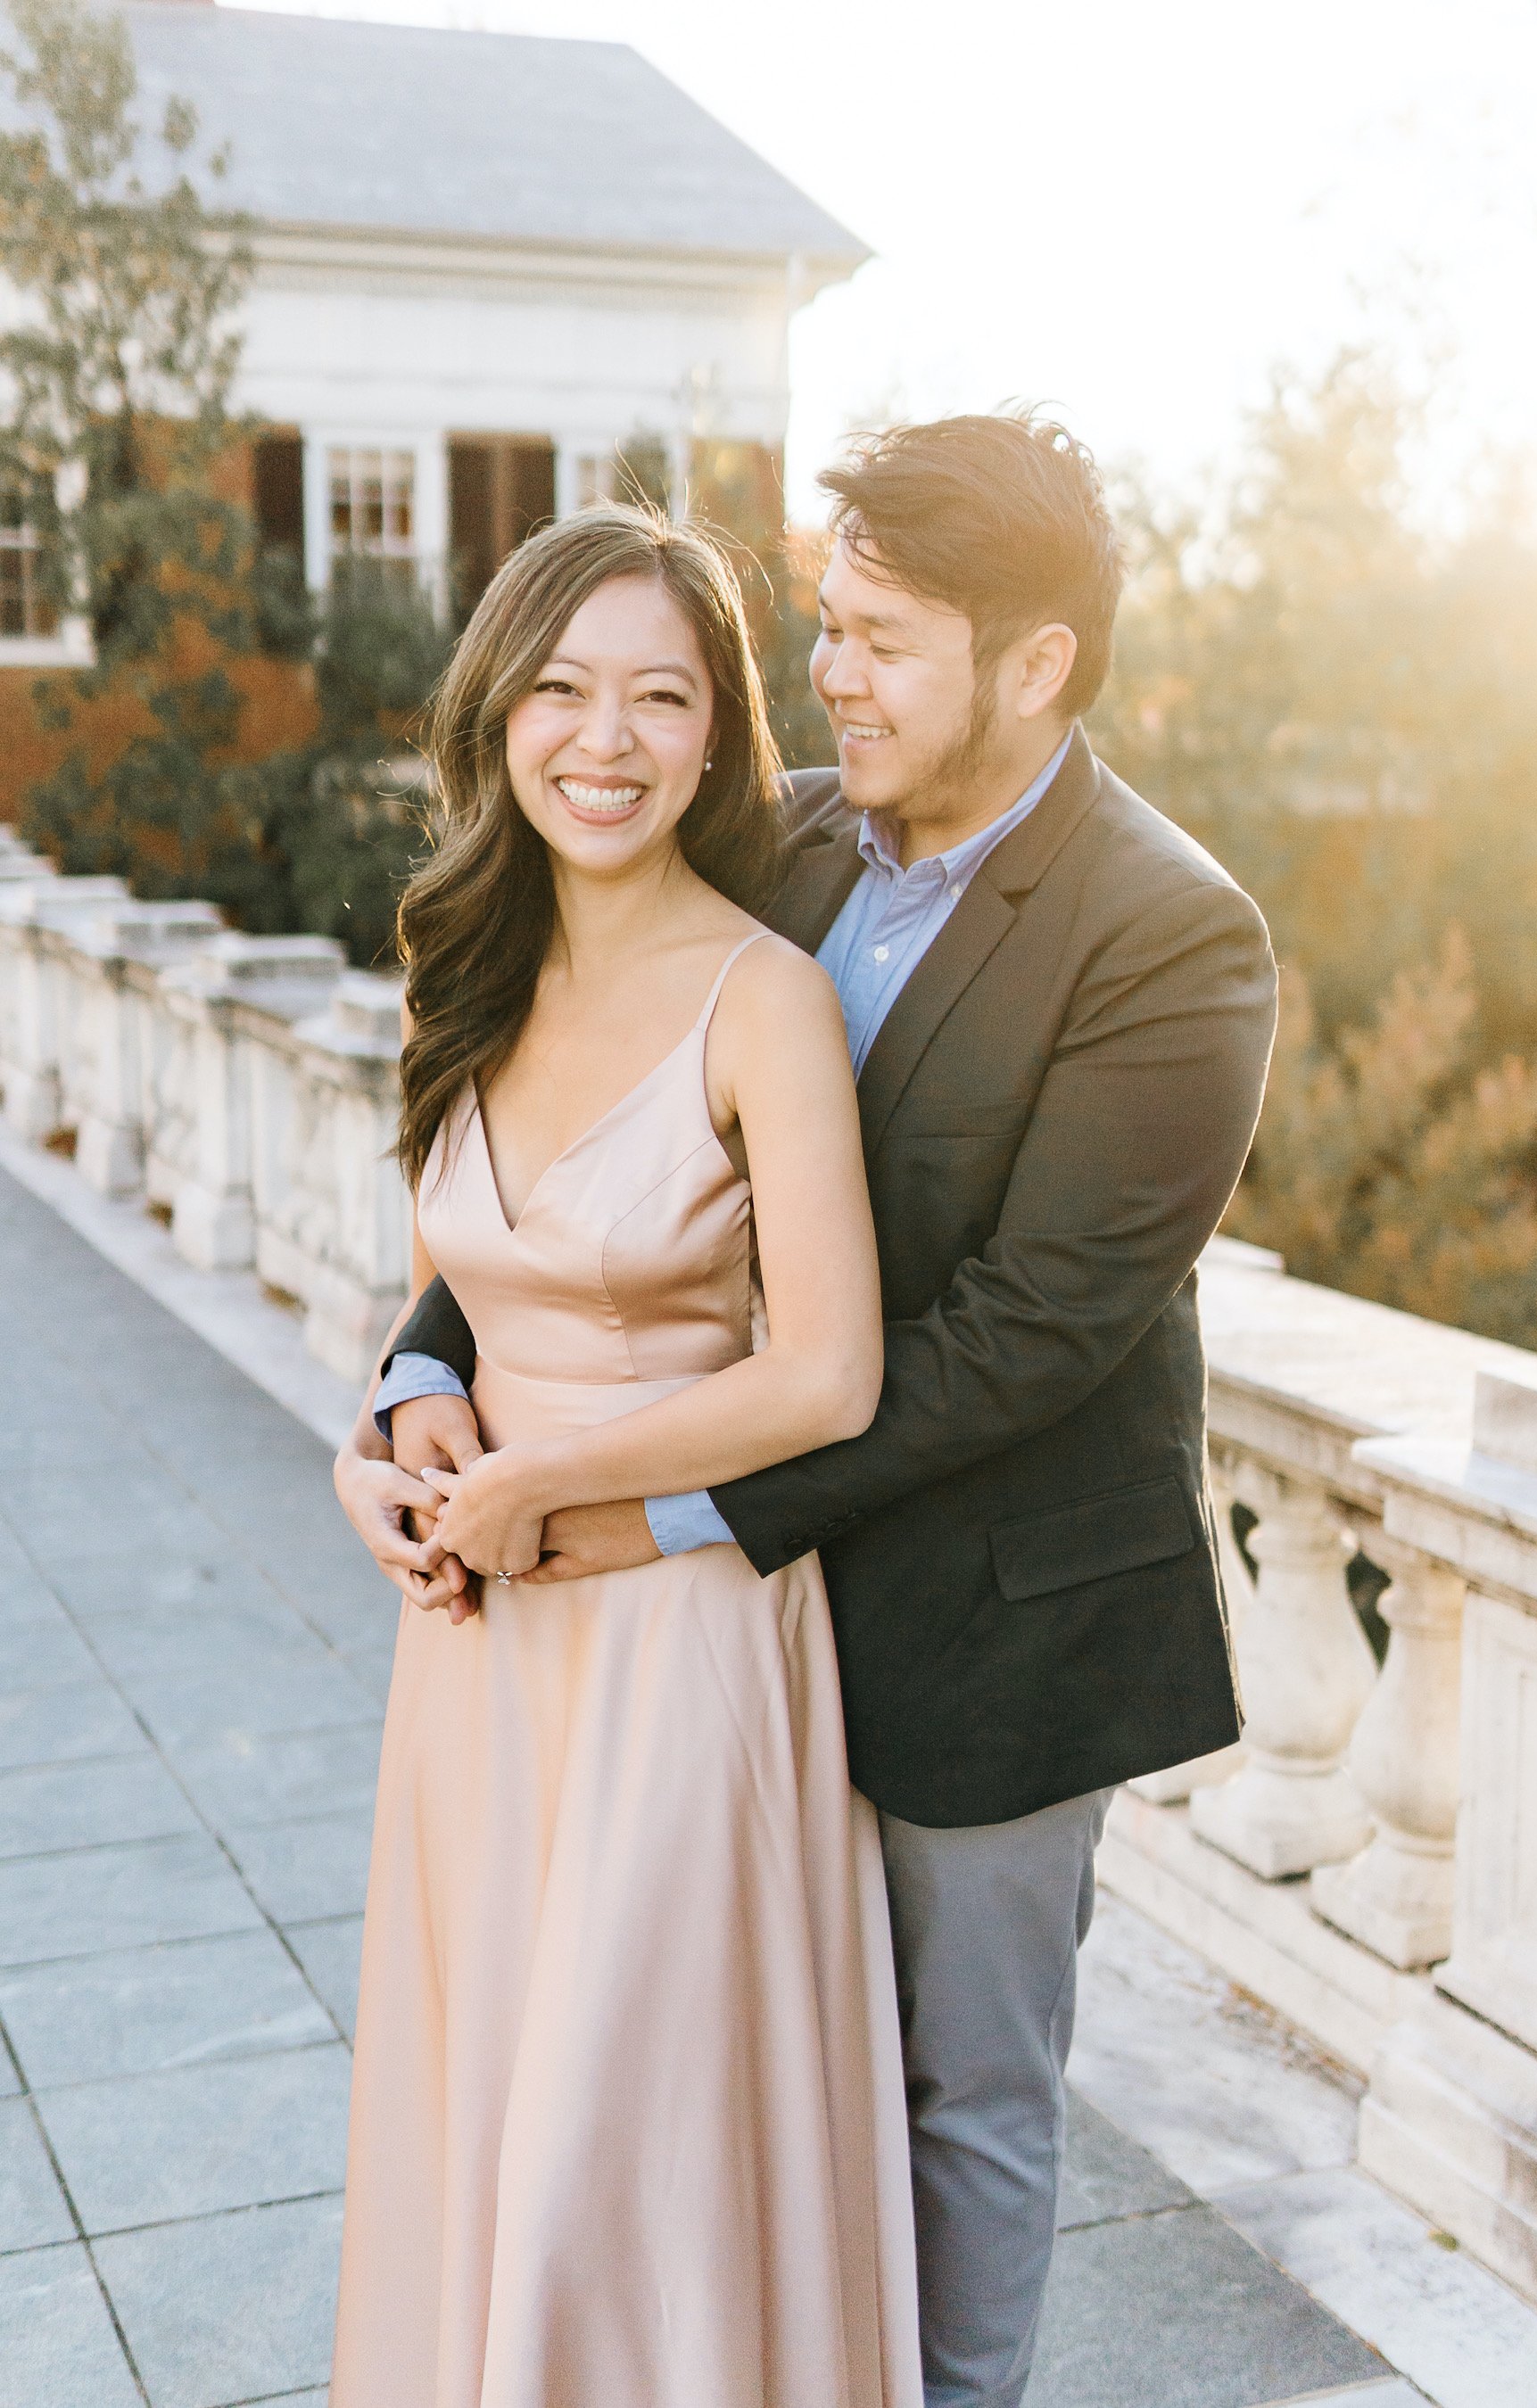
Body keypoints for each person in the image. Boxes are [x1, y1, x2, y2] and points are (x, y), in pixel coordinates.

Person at [363, 414, 1280, 2408]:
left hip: (988, 1622)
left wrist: (661, 1517)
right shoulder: (771, 831)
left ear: (1034, 664)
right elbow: (591, 1139)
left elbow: (1024, 1335)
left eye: (880, 639)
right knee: (693, 2087)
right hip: (703, 1635)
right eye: (830, 626)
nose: (832, 675)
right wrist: (427, 1363)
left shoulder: (1170, 937)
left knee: (958, 2102)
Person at [329, 506, 924, 2408]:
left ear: (717, 737)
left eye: (661, 697)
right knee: (496, 2108)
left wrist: (544, 1488)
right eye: (567, 690)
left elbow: (828, 1374)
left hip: (681, 1635)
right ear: (501, 711)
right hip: (482, 1650)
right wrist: (403, 1441)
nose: (608, 739)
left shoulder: (767, 998)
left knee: (615, 2154)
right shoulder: (461, 969)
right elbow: (447, 1302)